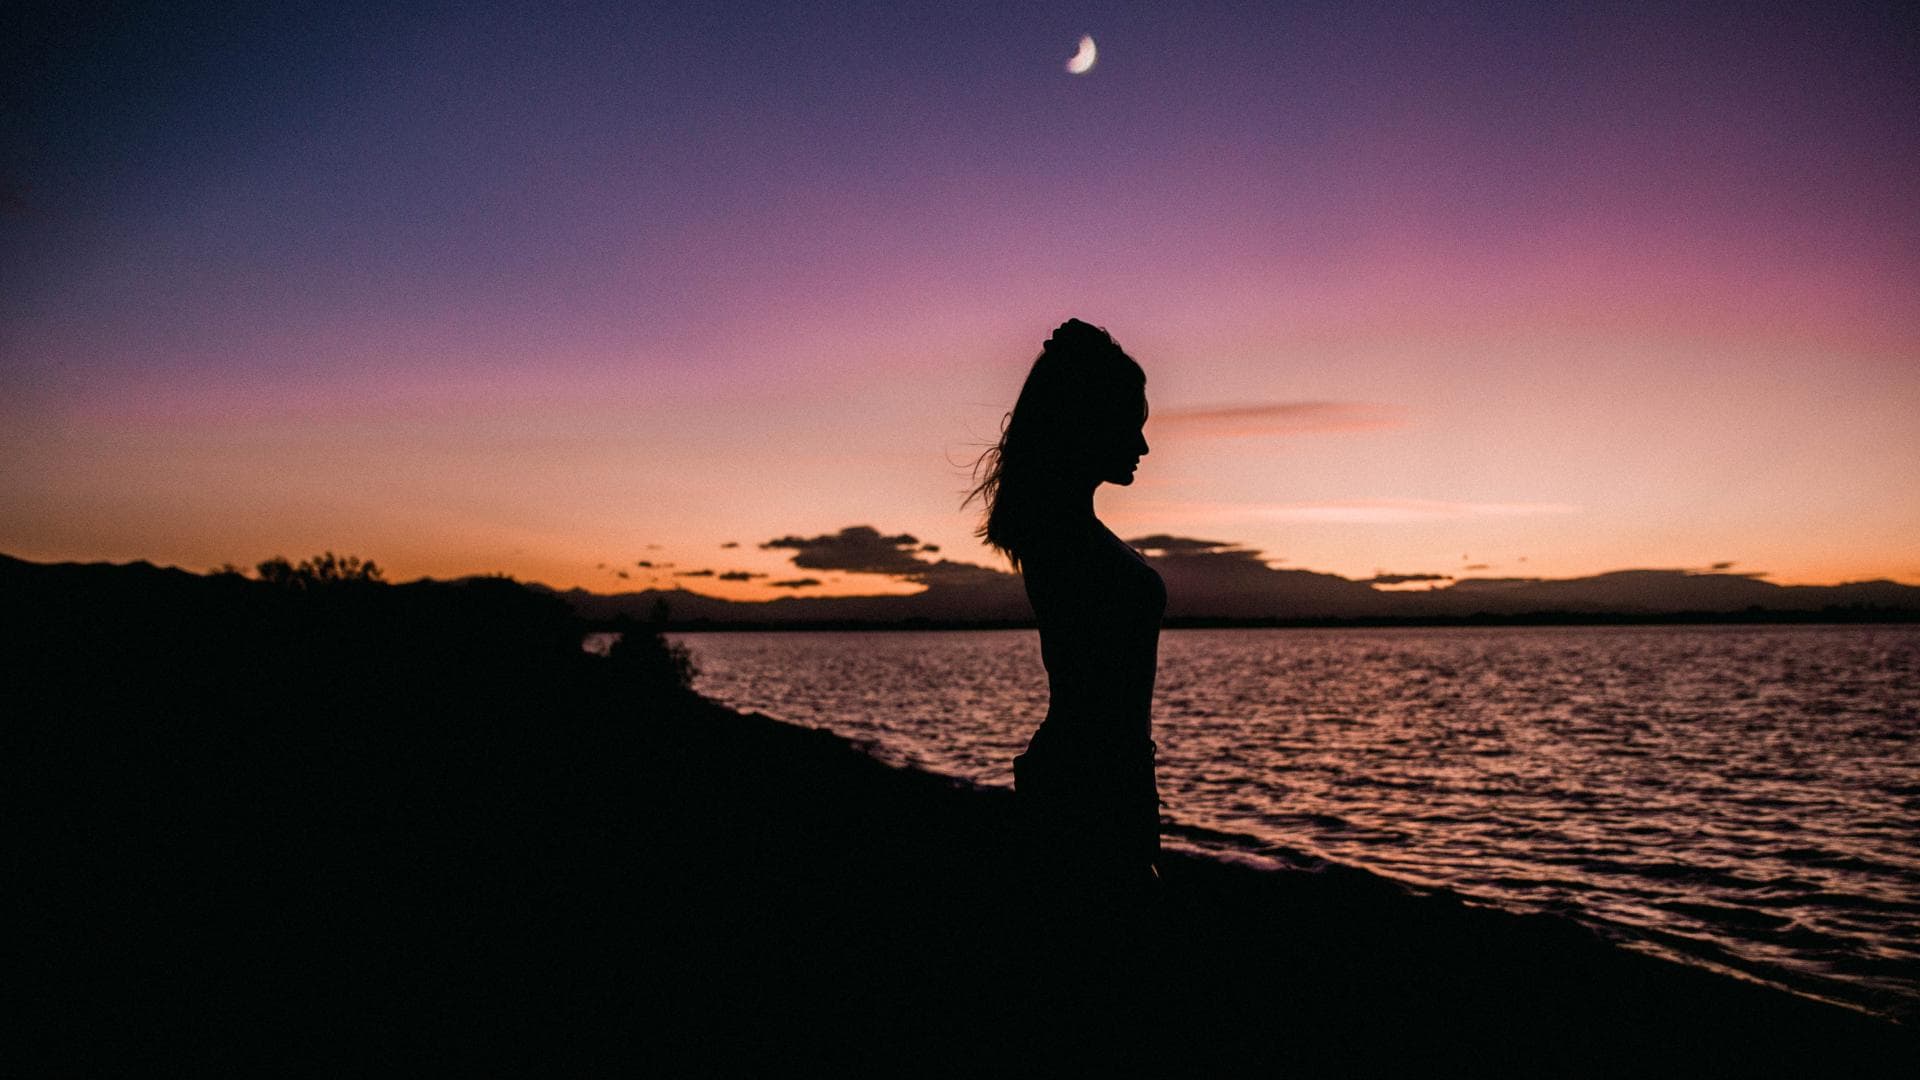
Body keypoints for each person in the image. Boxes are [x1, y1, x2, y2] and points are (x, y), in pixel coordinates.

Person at [967, 319, 1166, 926]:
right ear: (1088, 421)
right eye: (1132, 422)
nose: (1142, 444)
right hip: (1089, 784)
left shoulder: (1069, 530)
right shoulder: (1062, 537)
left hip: (1102, 773)